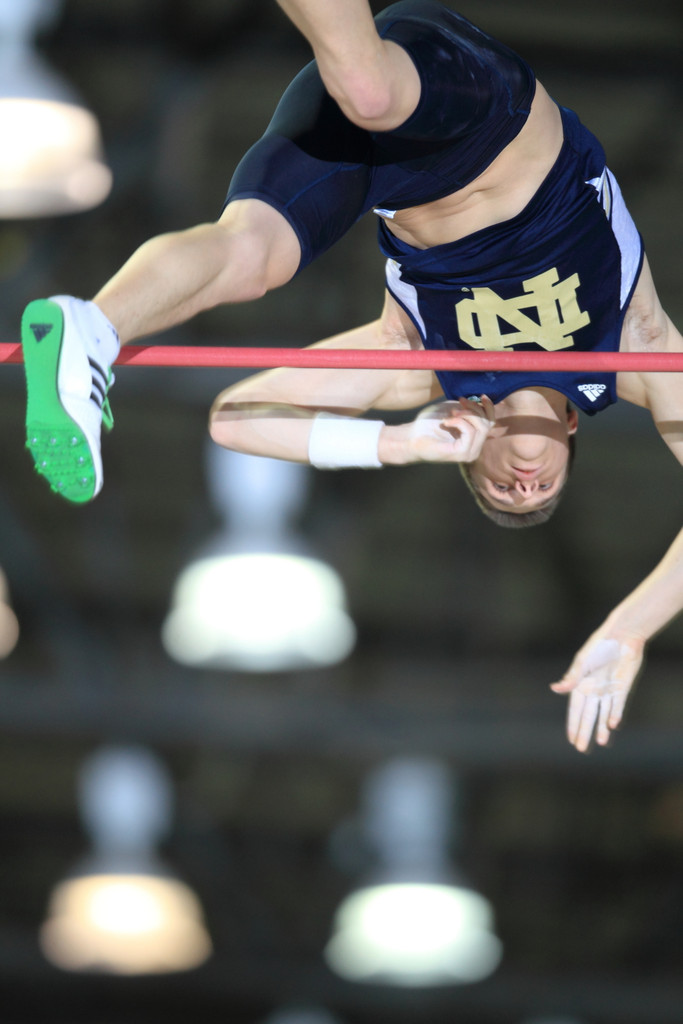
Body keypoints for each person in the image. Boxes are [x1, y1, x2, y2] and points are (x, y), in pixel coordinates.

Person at [19, 0, 683, 751]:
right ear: (569, 429)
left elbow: (238, 414)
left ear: (473, 457)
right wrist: (627, 630)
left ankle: (91, 328)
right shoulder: (635, 346)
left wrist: (396, 445)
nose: (522, 482)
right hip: (486, 117)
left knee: (250, 255)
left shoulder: (419, 369)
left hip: (382, 178)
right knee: (370, 92)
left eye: (502, 489)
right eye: (539, 488)